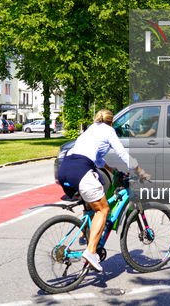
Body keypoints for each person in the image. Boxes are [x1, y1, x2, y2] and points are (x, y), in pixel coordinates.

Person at [57, 109, 148, 272]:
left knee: (92, 202)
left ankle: (85, 234)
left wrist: (110, 168)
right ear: (111, 122)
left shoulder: (91, 129)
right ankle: (91, 252)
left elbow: (97, 159)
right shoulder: (109, 131)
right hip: (81, 170)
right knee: (103, 209)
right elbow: (123, 154)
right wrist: (140, 171)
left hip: (65, 168)